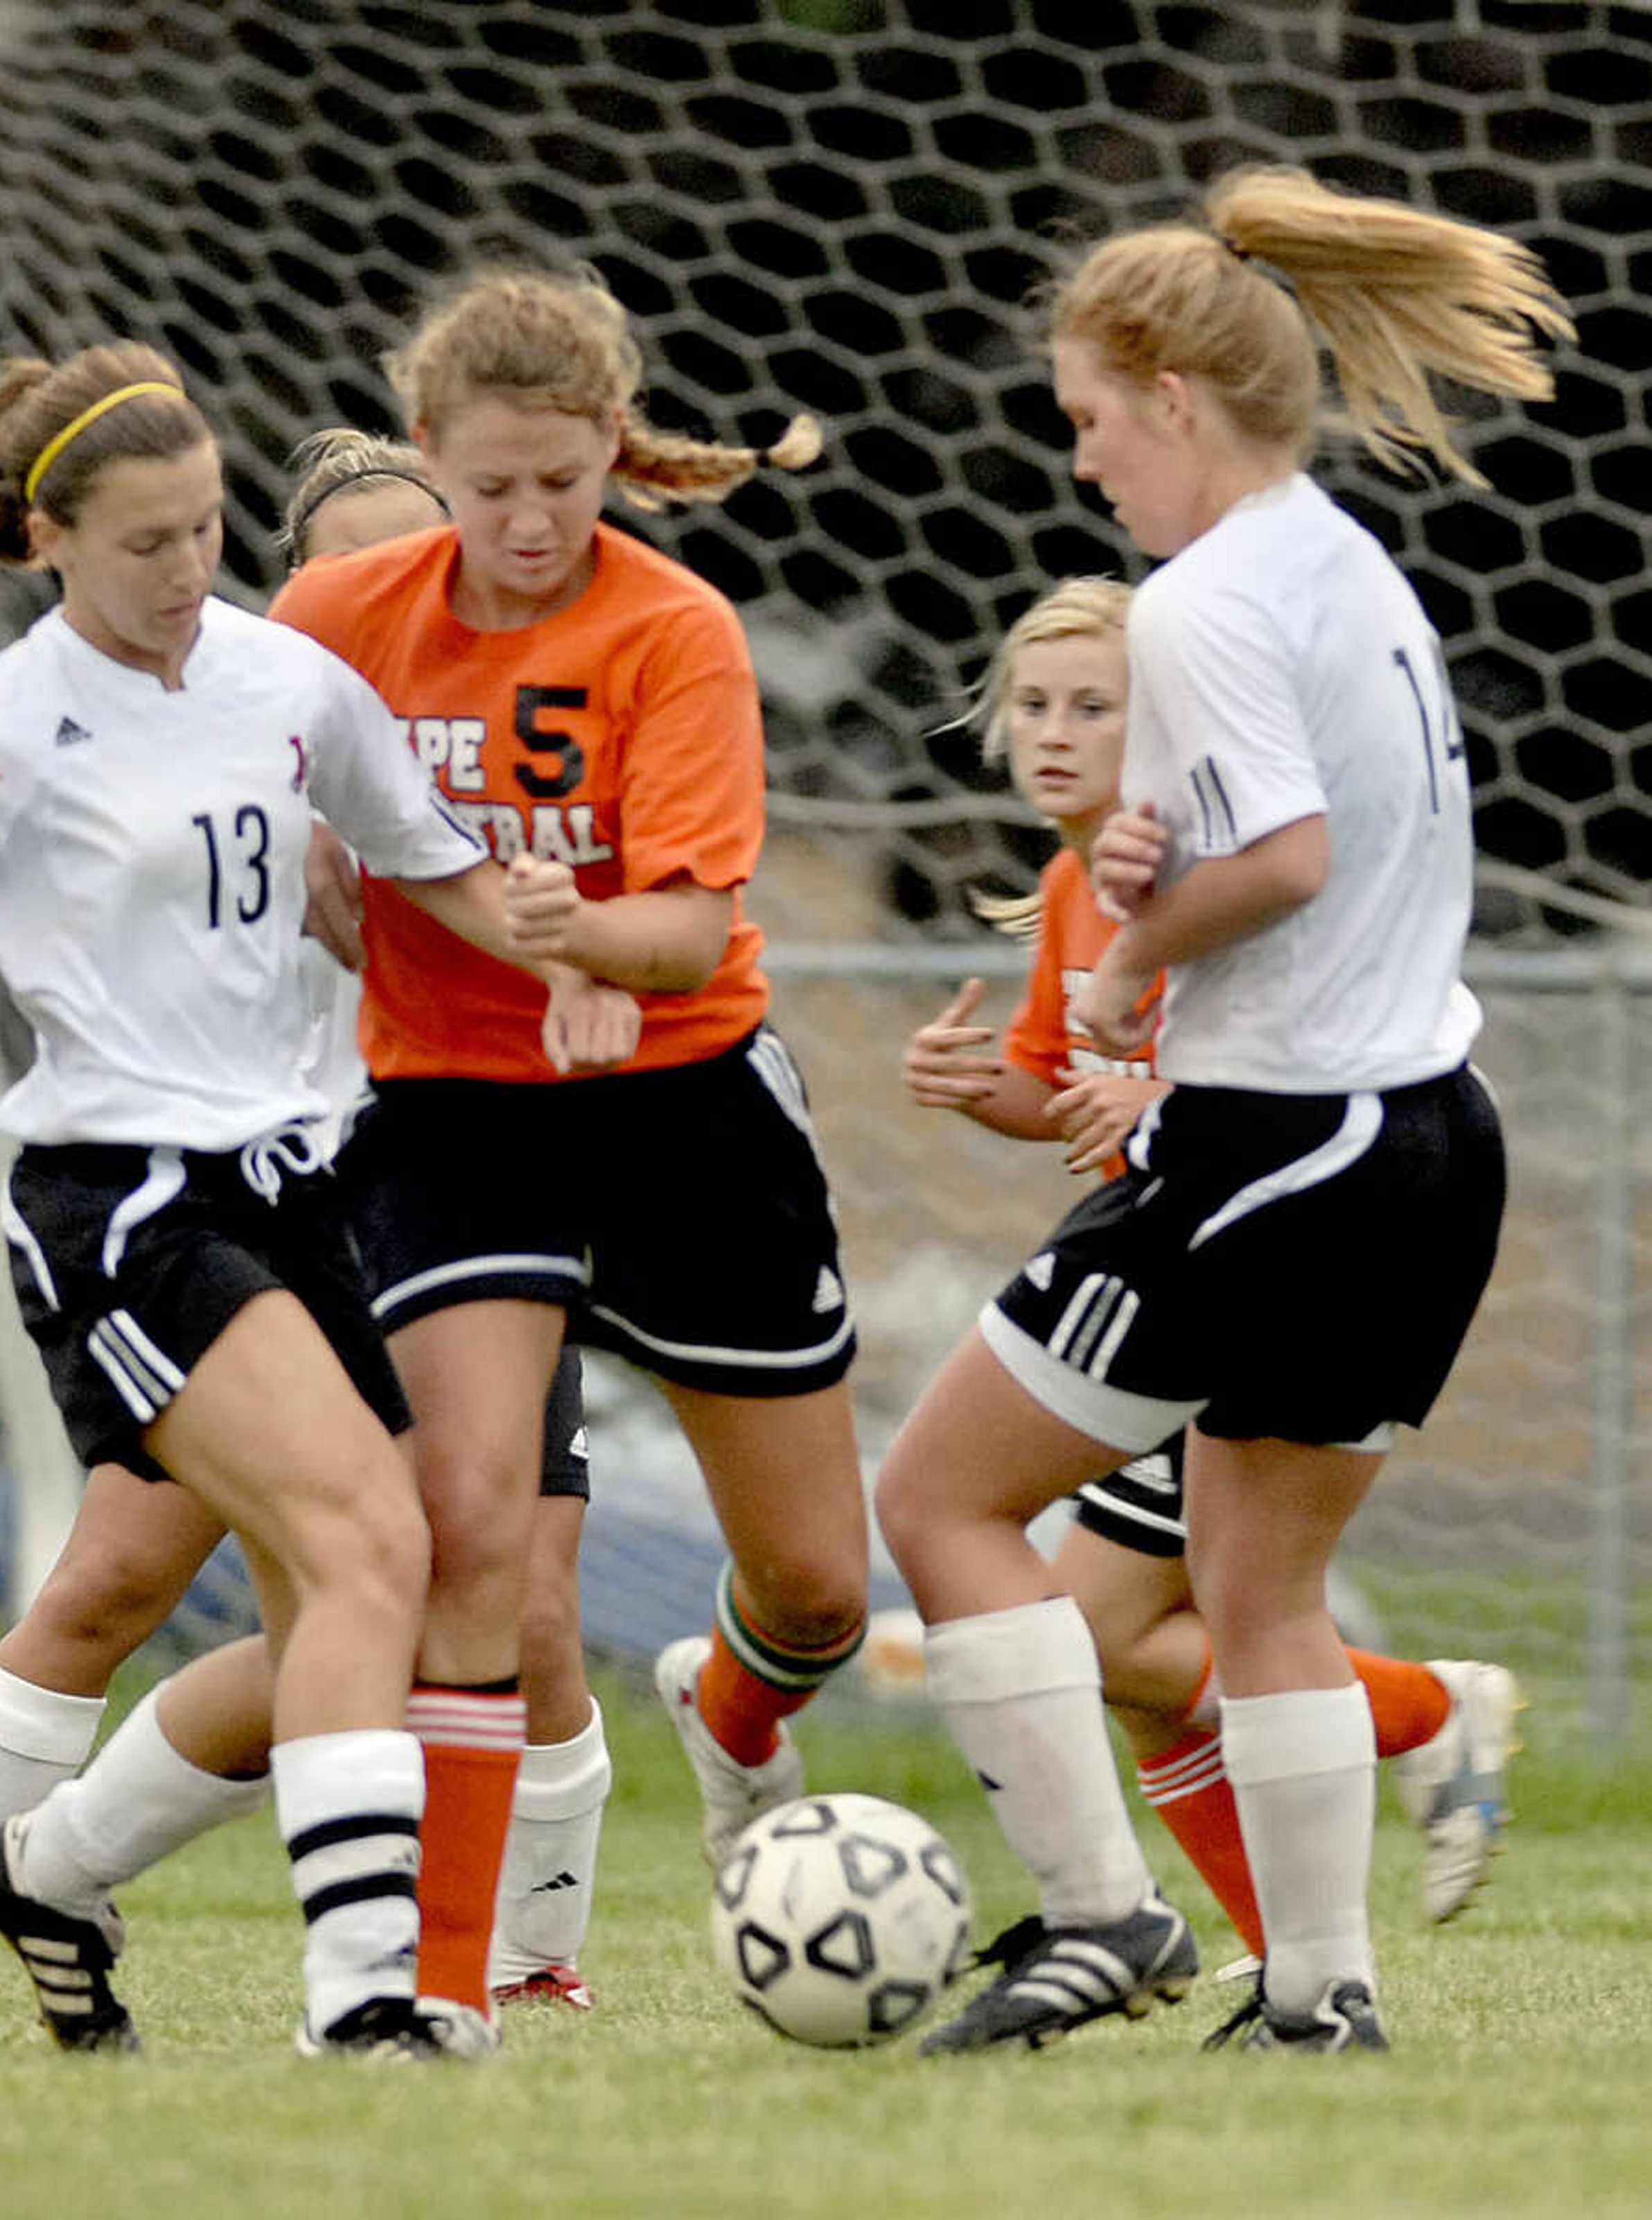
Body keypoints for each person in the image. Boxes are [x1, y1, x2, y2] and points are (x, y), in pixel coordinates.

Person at [0, 347, 640, 2059]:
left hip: (329, 1189)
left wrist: (590, 958)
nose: (188, 570)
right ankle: (323, 1997)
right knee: (328, 1550)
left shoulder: (291, 687)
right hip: (127, 1203)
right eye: (149, 543)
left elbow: (441, 881)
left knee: (406, 1584)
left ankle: (61, 1874)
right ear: (51, 541)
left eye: (202, 533)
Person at [874, 164, 1567, 2056]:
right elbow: (1302, 836)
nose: (1088, 463)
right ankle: (1323, 1996)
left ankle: (1104, 1912)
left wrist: (1121, 956)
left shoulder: (1206, 597)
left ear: (1174, 398)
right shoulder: (1351, 565)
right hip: (1429, 1133)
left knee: (939, 1497)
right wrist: (1157, 852)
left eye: (1094, 420)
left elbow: (1284, 856)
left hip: (1280, 1139)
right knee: (1265, 1591)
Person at [266, 267, 870, 2020]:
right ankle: (433, 1996)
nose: (530, 522)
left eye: (565, 481)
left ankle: (738, 1698)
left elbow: (684, 939)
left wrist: (581, 933)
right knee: (473, 1532)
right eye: (492, 486)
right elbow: (272, 824)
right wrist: (341, 891)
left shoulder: (677, 631)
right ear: (431, 459)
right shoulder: (333, 614)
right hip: (459, 1109)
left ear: (620, 448)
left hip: (685, 1108)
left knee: (824, 1588)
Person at [902, 578, 1522, 1975]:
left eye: (1095, 706)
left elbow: (1267, 1061)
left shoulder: (1207, 862)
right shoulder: (1077, 886)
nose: (1055, 732)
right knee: (1140, 1649)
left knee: (1098, 1619)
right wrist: (977, 1086)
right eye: (1037, 704)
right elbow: (1073, 1095)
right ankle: (1279, 1950)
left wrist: (1164, 1096)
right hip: (1202, 1255)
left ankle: (1422, 1715)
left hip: (1255, 1249)